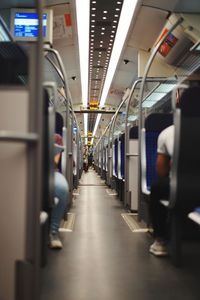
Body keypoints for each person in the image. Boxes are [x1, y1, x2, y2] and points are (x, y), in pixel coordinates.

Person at [149, 125, 174, 256]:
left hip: (182, 186)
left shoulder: (169, 132)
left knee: (157, 188)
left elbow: (162, 170)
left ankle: (160, 240)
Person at [49, 133, 69, 249]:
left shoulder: (56, 138)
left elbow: (55, 162)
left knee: (61, 187)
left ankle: (53, 231)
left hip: (50, 171)